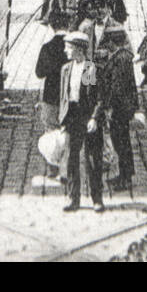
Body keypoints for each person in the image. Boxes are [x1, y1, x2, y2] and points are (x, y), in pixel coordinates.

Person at [58, 30, 103, 212]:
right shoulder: (66, 69)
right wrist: (62, 120)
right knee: (71, 158)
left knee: (92, 158)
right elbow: (64, 96)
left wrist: (94, 118)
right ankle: (73, 198)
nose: (65, 51)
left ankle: (97, 199)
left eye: (68, 47)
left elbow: (97, 97)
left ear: (78, 49)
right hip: (72, 116)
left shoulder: (89, 69)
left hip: (86, 115)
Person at [99, 23, 138, 193]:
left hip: (119, 109)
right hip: (123, 107)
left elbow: (117, 87)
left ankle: (125, 178)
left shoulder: (120, 59)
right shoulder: (123, 56)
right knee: (122, 142)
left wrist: (109, 108)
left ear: (112, 42)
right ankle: (125, 175)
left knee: (121, 143)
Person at [33, 18, 68, 181]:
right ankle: (66, 169)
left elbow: (39, 73)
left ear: (52, 27)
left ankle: (52, 167)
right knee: (67, 132)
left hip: (50, 95)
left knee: (50, 131)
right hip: (69, 97)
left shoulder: (47, 47)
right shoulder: (74, 46)